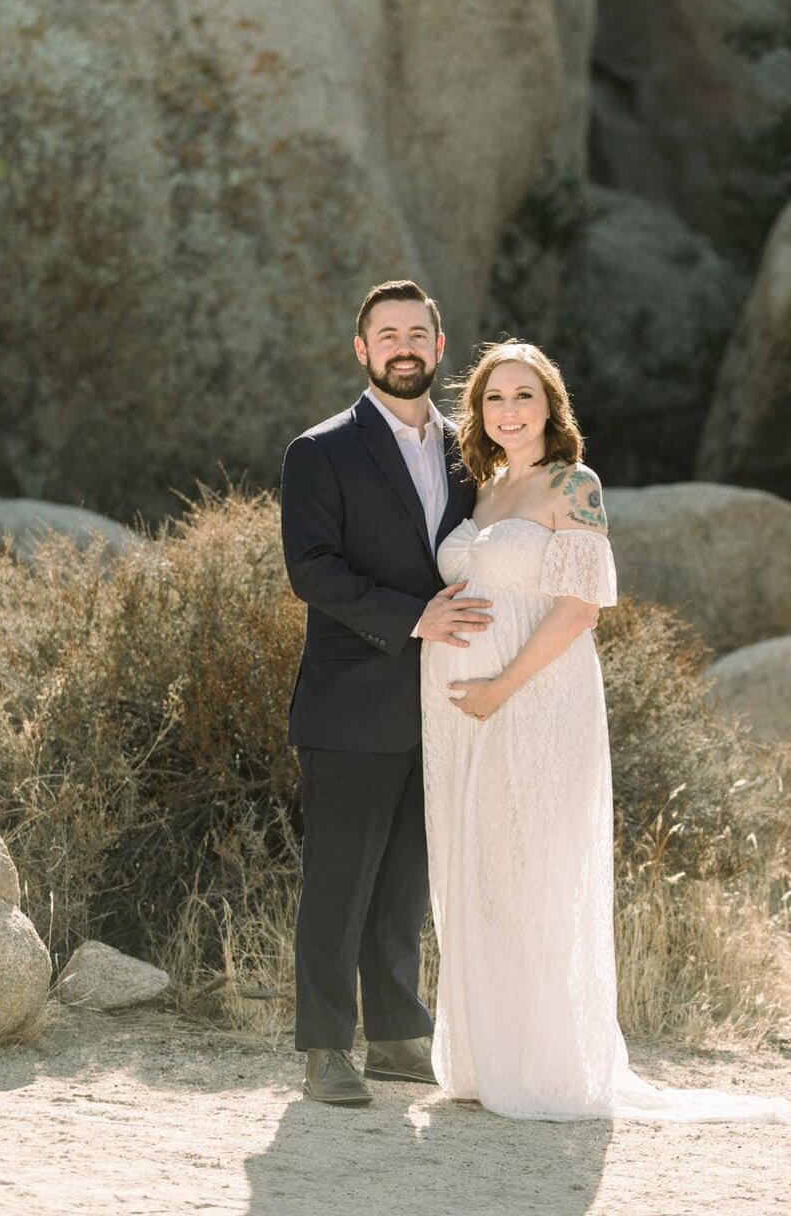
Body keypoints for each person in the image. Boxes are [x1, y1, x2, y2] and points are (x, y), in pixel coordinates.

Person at [422, 339, 791, 1123]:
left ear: (552, 408)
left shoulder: (574, 485)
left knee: (537, 873)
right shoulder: (484, 493)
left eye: (525, 397)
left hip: (537, 701)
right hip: (462, 715)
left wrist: (499, 688)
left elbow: (578, 608)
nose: (509, 412)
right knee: (480, 872)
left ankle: (547, 1068)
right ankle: (489, 1060)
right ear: (479, 414)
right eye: (495, 399)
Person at [280, 279, 493, 1105]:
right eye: (387, 334)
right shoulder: (320, 451)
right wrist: (417, 620)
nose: (404, 346)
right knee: (339, 881)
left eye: (418, 333)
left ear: (439, 350)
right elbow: (313, 570)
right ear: (362, 351)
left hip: (446, 701)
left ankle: (400, 1034)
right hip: (352, 700)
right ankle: (325, 1048)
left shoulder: (470, 452)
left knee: (406, 878)